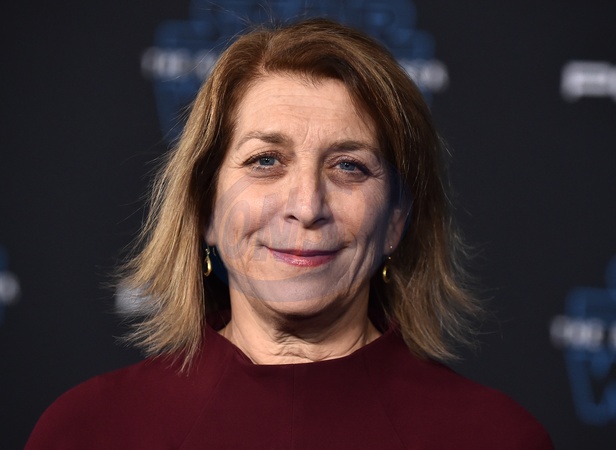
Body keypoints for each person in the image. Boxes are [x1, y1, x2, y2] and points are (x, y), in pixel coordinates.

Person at [26, 18, 553, 449]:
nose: (306, 207)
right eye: (266, 160)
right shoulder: (87, 431)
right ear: (206, 209)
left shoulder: (496, 438)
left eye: (348, 166)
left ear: (396, 220)